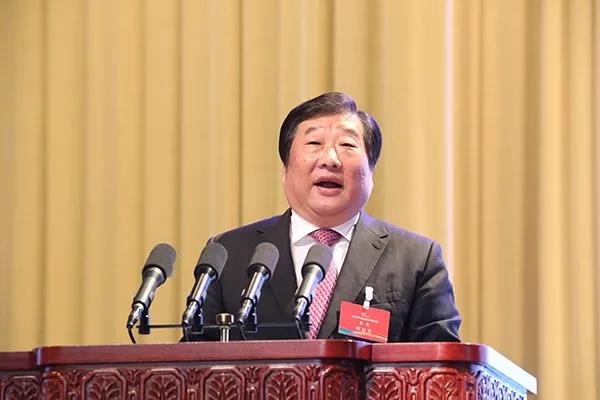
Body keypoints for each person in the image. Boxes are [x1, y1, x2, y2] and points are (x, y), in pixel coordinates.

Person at [188, 92, 461, 342]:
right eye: (314, 143)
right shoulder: (230, 253)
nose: (330, 159)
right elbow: (194, 360)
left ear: (371, 172)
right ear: (285, 169)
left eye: (347, 145)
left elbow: (445, 365)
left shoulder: (415, 259)